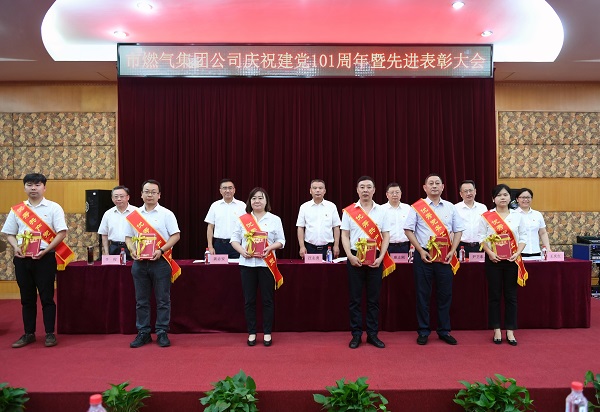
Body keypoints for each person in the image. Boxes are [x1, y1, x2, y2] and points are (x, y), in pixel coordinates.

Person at [2, 173, 74, 348]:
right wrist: (15, 247)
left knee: (47, 297)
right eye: (29, 184)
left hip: (45, 258)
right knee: (26, 298)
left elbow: (62, 233)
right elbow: (9, 233)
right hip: (22, 259)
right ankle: (29, 333)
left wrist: (46, 251)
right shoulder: (17, 210)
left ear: (44, 187)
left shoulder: (53, 208)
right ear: (24, 187)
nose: (33, 188)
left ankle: (49, 334)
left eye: (37, 184)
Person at [404, 173, 464, 346]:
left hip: (445, 256)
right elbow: (408, 230)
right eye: (431, 183)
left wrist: (453, 250)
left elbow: (458, 230)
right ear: (425, 187)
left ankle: (444, 330)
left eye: (438, 183)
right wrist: (420, 250)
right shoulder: (417, 207)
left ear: (443, 187)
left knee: (445, 294)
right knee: (423, 294)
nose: (434, 186)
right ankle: (423, 330)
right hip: (424, 255)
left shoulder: (450, 207)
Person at [125, 179, 181, 348]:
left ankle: (162, 331)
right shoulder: (134, 215)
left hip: (160, 262)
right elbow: (128, 237)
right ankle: (143, 332)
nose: (150, 195)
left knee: (163, 299)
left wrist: (161, 250)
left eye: (153, 192)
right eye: (147, 192)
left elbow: (176, 235)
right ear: (141, 194)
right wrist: (132, 250)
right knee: (141, 300)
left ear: (159, 195)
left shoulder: (166, 214)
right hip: (139, 263)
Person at [341, 176, 394, 349]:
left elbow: (386, 235)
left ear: (374, 190)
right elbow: (345, 235)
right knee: (355, 299)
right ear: (357, 190)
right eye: (362, 187)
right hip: (354, 257)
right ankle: (356, 335)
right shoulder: (349, 211)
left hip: (375, 258)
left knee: (373, 299)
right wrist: (349, 256)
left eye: (369, 187)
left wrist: (381, 257)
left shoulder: (382, 211)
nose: (365, 190)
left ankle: (372, 334)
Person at [231, 187, 285, 347]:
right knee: (249, 301)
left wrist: (270, 248)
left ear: (266, 201)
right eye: (254, 198)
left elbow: (282, 241)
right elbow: (234, 239)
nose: (257, 201)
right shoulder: (243, 219)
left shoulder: (274, 219)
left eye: (261, 198)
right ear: (250, 201)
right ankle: (252, 332)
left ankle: (267, 332)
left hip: (266, 264)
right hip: (247, 264)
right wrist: (242, 251)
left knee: (267, 300)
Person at [478, 184, 528, 346]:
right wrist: (490, 253)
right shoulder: (486, 216)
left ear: (510, 198)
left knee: (511, 296)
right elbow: (481, 237)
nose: (502, 198)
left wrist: (517, 253)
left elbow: (523, 237)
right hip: (493, 260)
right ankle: (497, 329)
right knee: (494, 295)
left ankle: (510, 330)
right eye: (499, 195)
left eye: (505, 195)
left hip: (512, 260)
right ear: (493, 199)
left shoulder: (517, 216)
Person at [296, 179, 341, 260]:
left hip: (328, 249)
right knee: (310, 269)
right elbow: (300, 227)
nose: (317, 190)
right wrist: (302, 246)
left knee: (328, 268)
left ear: (324, 191)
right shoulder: (304, 207)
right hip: (310, 248)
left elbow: (336, 227)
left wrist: (336, 245)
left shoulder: (331, 206)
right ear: (310, 191)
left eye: (320, 188)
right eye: (315, 188)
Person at [205, 179, 246, 258]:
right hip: (220, 245)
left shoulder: (242, 206)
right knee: (219, 266)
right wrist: (210, 246)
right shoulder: (215, 206)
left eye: (230, 188)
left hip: (237, 245)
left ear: (234, 190)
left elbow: (247, 226)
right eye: (224, 188)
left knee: (237, 266)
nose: (227, 191)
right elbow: (210, 227)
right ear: (220, 191)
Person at [98, 185, 134, 260]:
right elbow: (104, 234)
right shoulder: (108, 214)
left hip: (132, 248)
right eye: (116, 196)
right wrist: (106, 253)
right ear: (112, 198)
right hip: (114, 248)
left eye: (121, 196)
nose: (119, 199)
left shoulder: (136, 212)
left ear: (128, 197)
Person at [514, 188, 551, 260]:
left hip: (536, 252)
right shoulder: (512, 215)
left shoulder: (537, 214)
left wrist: (548, 248)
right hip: (518, 253)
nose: (526, 200)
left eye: (528, 197)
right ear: (517, 199)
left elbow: (543, 233)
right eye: (523, 197)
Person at [455, 180, 488, 255]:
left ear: (475, 191)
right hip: (461, 247)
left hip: (479, 247)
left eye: (470, 190)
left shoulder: (483, 208)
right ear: (461, 194)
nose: (468, 193)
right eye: (465, 191)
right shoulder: (455, 208)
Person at [382, 183, 411, 254]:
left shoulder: (408, 208)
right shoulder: (381, 209)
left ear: (401, 194)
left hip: (405, 246)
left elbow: (412, 228)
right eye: (392, 192)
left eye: (397, 192)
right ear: (387, 194)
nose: (395, 195)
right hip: (387, 247)